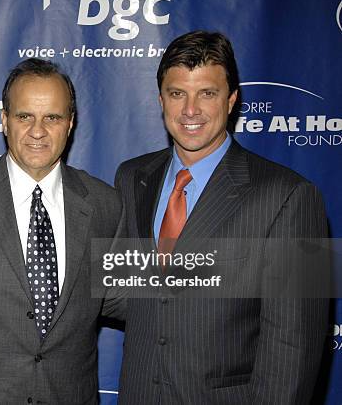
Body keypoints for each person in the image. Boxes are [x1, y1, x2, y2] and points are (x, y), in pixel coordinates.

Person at [115, 31, 328, 404]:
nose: (190, 110)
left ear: (231, 100)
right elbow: (127, 291)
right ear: (161, 99)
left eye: (207, 93)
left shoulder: (292, 195)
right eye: (177, 93)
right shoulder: (133, 177)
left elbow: (294, 348)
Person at [0, 58, 125, 404]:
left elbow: (130, 298)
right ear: (4, 121)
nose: (38, 131)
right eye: (24, 116)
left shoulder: (105, 204)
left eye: (52, 118)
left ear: (70, 123)